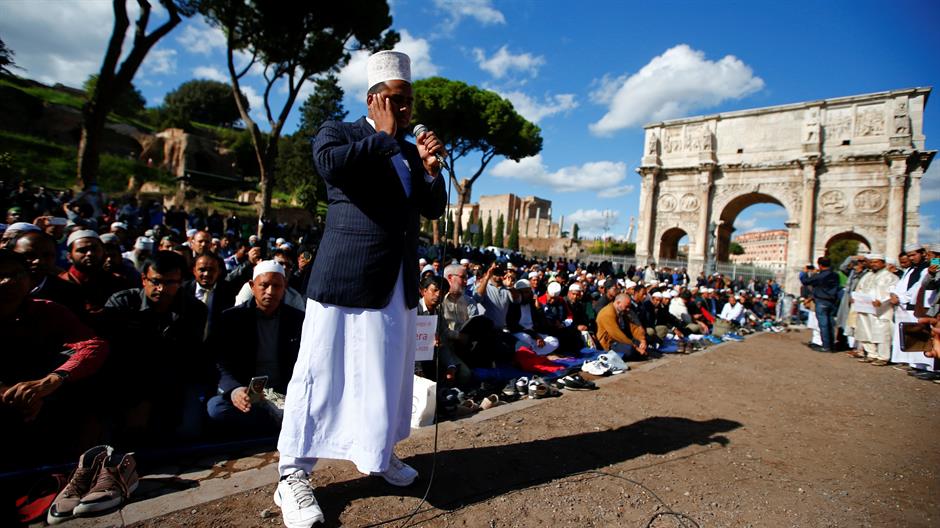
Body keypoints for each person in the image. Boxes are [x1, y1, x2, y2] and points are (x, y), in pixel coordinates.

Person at [275, 50, 447, 528]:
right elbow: (333, 168)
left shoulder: (410, 151)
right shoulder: (341, 133)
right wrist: (387, 138)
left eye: (410, 101)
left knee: (387, 373)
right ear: (374, 100)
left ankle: (378, 453)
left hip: (395, 282)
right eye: (397, 100)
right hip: (346, 278)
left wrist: (430, 168)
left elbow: (430, 209)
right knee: (321, 374)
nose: (407, 109)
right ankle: (293, 474)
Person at [0, 250, 109, 471]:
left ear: (30, 279)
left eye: (15, 274)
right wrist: (13, 394)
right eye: (0, 275)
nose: (8, 282)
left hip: (43, 397)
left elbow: (92, 345)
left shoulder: (47, 311)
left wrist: (52, 381)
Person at [102, 251, 211, 441]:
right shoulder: (122, 304)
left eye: (170, 283)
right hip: (128, 380)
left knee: (188, 431)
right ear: (144, 279)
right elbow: (117, 357)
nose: (161, 289)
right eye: (156, 281)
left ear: (180, 282)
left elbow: (185, 357)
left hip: (173, 381)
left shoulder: (194, 310)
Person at [207, 261, 303, 434]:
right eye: (264, 285)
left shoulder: (297, 320)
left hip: (282, 392)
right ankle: (279, 424)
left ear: (284, 287)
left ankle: (276, 422)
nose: (270, 292)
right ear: (252, 286)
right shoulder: (232, 319)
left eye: (276, 286)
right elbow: (219, 364)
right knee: (217, 408)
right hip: (249, 392)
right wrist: (235, 390)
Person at [853, 254, 899, 365]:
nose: (874, 264)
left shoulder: (890, 276)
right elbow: (859, 288)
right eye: (872, 262)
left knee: (882, 333)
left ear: (883, 263)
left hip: (881, 310)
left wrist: (882, 300)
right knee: (865, 331)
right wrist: (855, 298)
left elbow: (892, 291)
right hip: (865, 307)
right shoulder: (867, 275)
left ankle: (883, 357)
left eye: (876, 262)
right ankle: (871, 354)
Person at [799, 257, 841, 352]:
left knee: (823, 324)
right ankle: (831, 344)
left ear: (820, 265)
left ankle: (826, 346)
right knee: (830, 323)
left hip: (821, 300)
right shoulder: (835, 275)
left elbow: (805, 282)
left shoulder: (820, 276)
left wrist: (804, 273)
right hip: (832, 301)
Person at [596, 293, 648, 360]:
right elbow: (616, 334)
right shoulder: (607, 313)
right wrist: (635, 347)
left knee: (640, 343)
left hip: (621, 340)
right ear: (618, 303)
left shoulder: (623, 311)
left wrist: (642, 340)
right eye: (626, 306)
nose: (628, 309)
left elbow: (633, 326)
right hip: (610, 343)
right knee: (631, 350)